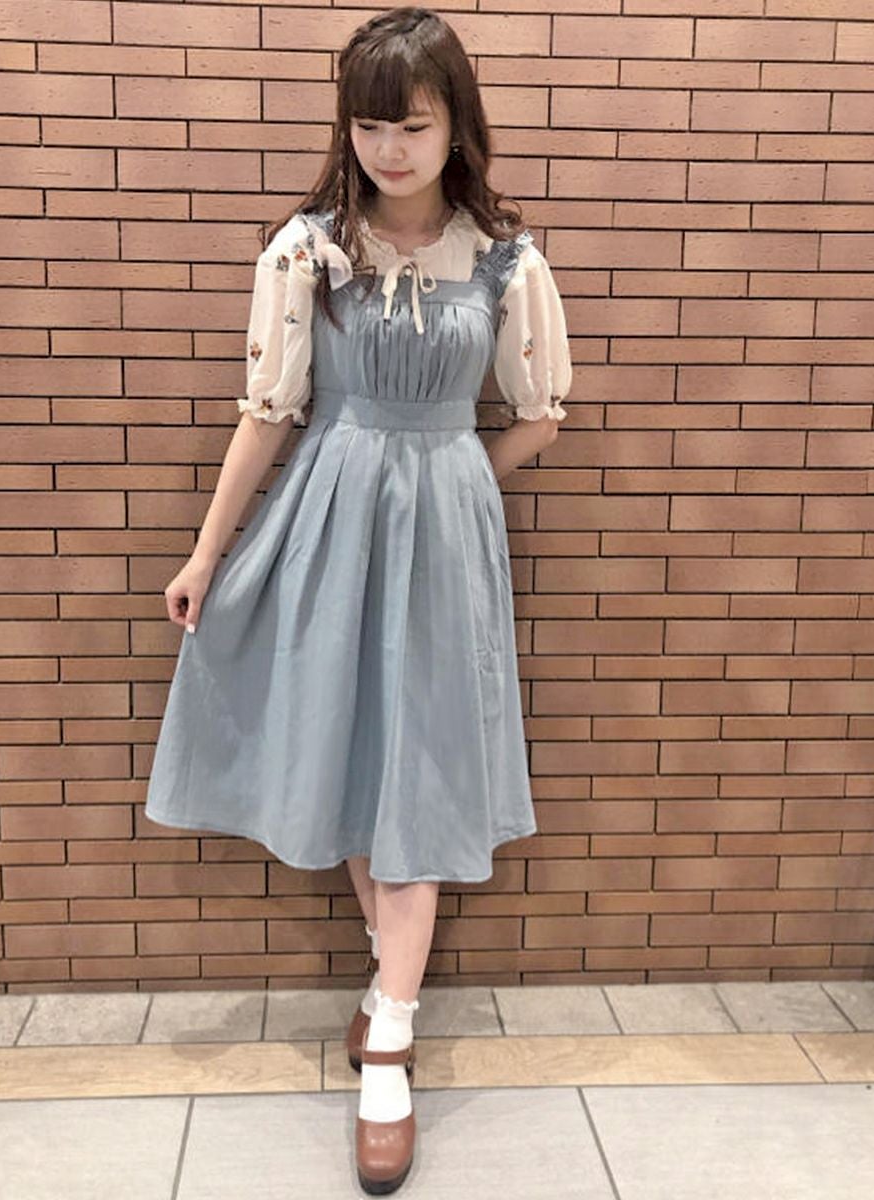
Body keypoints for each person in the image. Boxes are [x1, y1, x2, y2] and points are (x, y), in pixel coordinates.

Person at [143, 6, 572, 1193]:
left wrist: (454, 480)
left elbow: (539, 415)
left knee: (420, 772)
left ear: (456, 127)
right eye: (369, 125)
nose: (389, 148)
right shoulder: (306, 252)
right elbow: (266, 414)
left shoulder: (506, 261)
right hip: (327, 522)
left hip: (443, 544)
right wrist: (205, 555)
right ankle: (388, 975)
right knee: (347, 756)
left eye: (412, 126)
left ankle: (388, 1042)